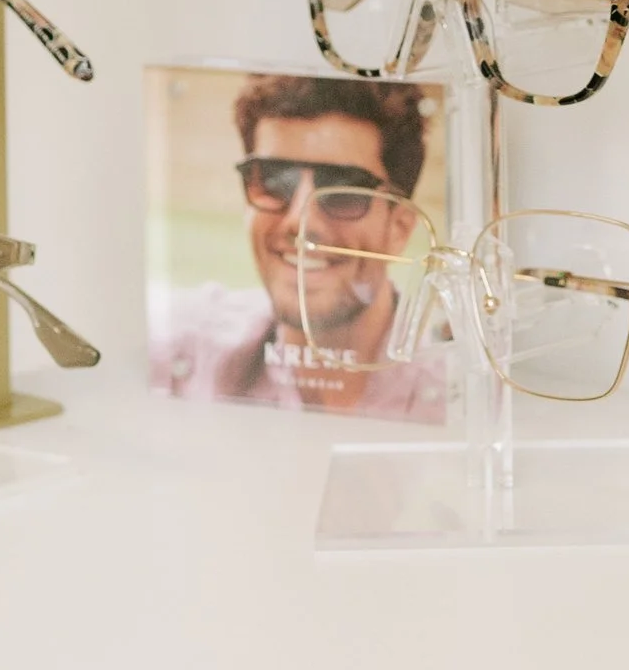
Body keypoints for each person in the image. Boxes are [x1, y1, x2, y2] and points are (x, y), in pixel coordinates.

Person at [150, 71, 450, 419]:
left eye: (343, 193)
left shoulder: (458, 392)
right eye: (274, 182)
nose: (299, 222)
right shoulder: (186, 352)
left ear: (398, 228)